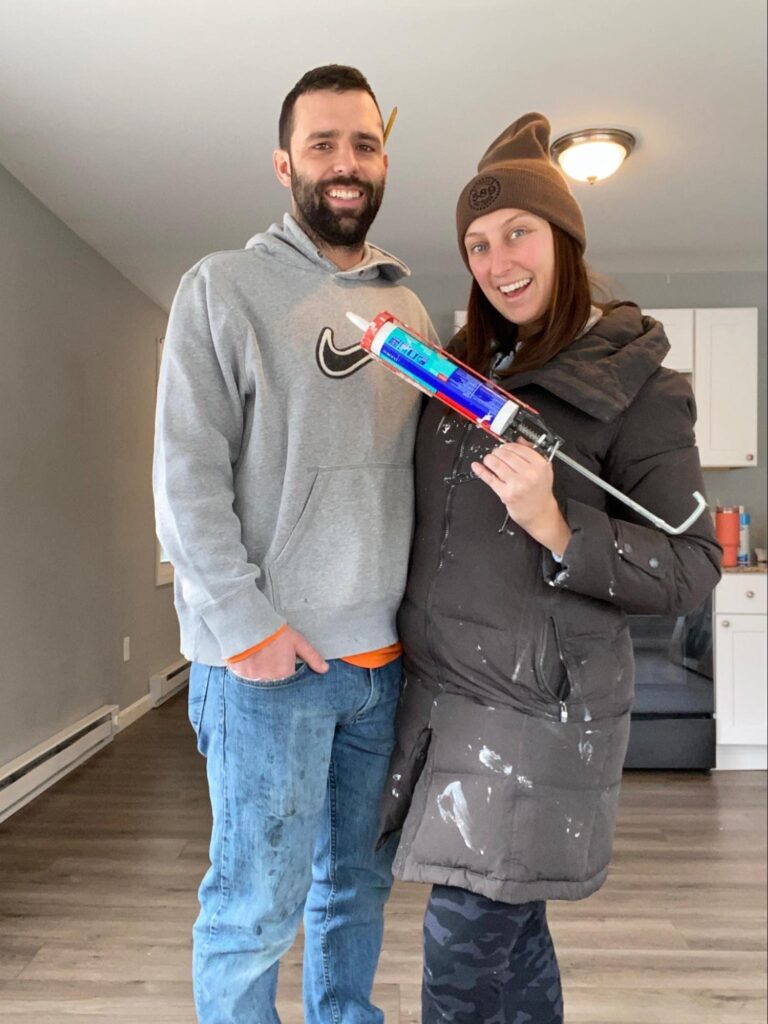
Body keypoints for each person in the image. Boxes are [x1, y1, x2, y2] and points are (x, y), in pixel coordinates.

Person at [376, 112, 722, 1023]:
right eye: (478, 242)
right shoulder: (459, 374)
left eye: (519, 232)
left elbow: (692, 567)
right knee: (511, 929)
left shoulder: (641, 385)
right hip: (439, 699)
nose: (498, 259)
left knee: (462, 948)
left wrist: (560, 526)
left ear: (565, 239)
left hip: (538, 707)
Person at [153, 65, 435, 1024]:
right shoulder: (222, 288)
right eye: (323, 145)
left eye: (362, 144)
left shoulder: (414, 313)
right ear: (285, 165)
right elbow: (185, 478)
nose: (344, 164)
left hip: (381, 667)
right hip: (269, 669)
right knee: (254, 912)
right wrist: (246, 629)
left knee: (356, 893)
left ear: (384, 160)